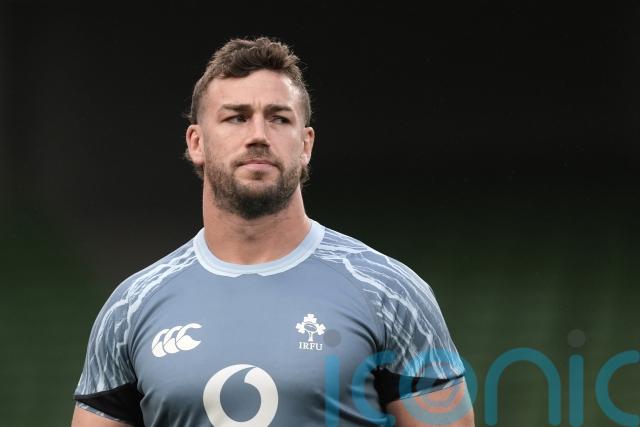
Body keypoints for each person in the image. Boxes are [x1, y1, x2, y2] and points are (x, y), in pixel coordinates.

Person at [71, 36, 475, 427]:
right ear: (196, 142)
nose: (259, 136)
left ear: (306, 144)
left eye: (279, 118)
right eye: (236, 117)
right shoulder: (130, 308)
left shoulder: (390, 293)